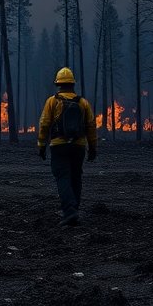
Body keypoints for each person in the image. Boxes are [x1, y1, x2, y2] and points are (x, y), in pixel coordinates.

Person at [37, 67, 97, 226]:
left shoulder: (52, 101)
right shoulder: (83, 103)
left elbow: (44, 124)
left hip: (59, 146)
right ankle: (74, 210)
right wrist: (93, 147)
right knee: (76, 177)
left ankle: (70, 211)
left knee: (63, 177)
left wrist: (41, 145)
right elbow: (91, 126)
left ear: (58, 84)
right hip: (78, 146)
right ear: (72, 84)